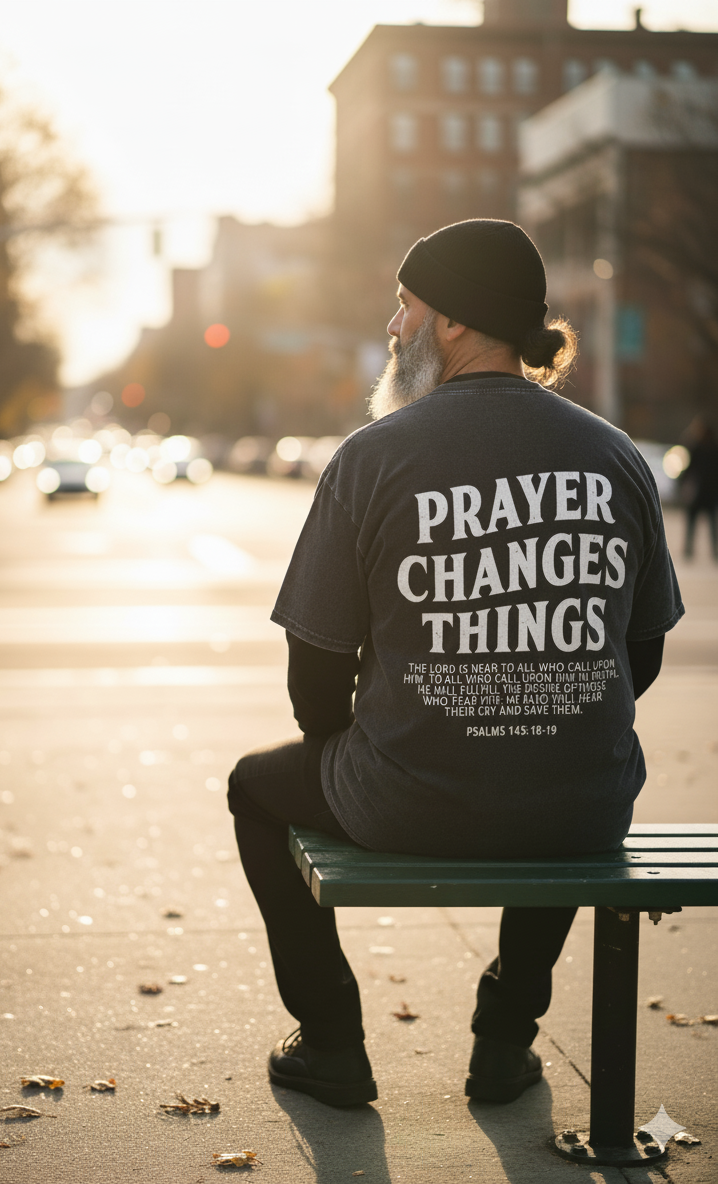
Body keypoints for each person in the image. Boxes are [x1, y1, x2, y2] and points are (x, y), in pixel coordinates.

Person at [227, 218, 684, 1109]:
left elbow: (313, 670)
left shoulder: (371, 458)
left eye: (406, 307)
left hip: (407, 799)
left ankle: (332, 1043)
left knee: (254, 788)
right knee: (562, 768)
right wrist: (545, 708)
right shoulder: (615, 456)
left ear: (454, 323)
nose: (394, 328)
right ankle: (506, 1042)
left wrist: (364, 747)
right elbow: (645, 652)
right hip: (583, 806)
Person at [681, 417, 718, 561]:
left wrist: (682, 483)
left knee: (695, 522)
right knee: (707, 522)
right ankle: (706, 550)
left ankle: (690, 549)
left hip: (702, 492)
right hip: (707, 492)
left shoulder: (698, 447)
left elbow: (688, 469)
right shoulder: (711, 447)